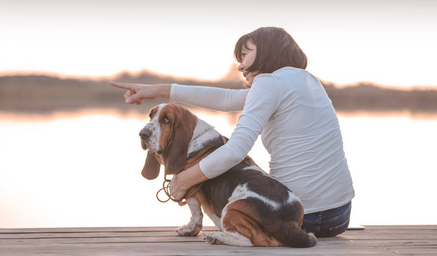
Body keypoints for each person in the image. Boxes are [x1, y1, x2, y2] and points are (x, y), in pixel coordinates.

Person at [110, 27, 355, 237]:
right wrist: (159, 90)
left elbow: (236, 150)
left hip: (295, 218)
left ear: (268, 52)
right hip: (340, 215)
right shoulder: (306, 81)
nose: (240, 66)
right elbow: (227, 98)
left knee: (222, 165)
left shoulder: (269, 83)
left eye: (245, 55)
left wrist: (185, 179)